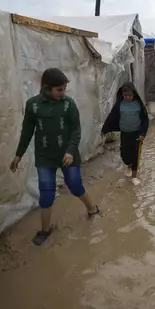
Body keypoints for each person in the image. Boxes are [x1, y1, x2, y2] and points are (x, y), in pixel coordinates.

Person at [10, 68, 100, 246]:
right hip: (45, 156)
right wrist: (18, 154)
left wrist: (70, 150)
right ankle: (45, 230)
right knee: (46, 191)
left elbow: (76, 130)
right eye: (59, 89)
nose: (63, 93)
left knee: (75, 185)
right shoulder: (33, 105)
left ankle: (92, 209)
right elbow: (27, 131)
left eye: (64, 89)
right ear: (46, 87)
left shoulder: (69, 104)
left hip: (68, 154)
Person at [101, 82, 149, 179]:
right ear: (122, 95)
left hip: (137, 134)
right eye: (125, 95)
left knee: (135, 155)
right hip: (125, 134)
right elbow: (111, 117)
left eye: (130, 95)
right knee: (124, 155)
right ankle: (129, 164)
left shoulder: (138, 105)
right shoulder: (119, 105)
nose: (127, 97)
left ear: (134, 94)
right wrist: (104, 129)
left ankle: (134, 177)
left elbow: (145, 120)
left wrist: (143, 134)